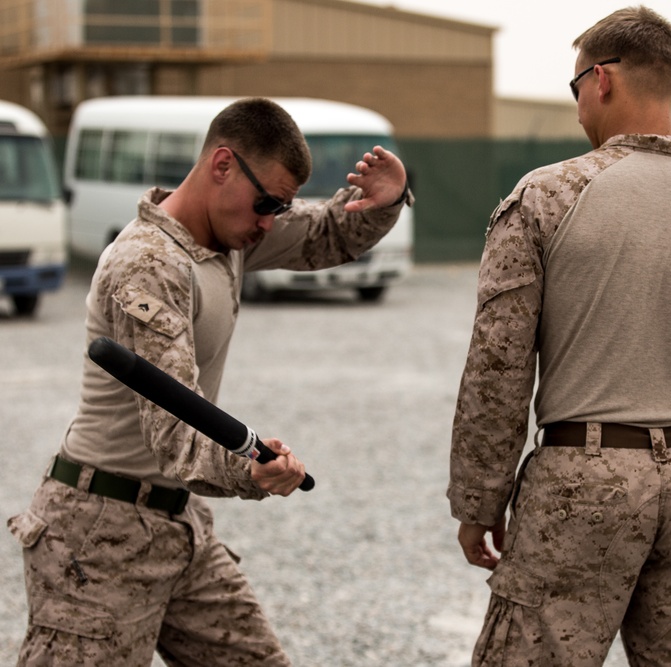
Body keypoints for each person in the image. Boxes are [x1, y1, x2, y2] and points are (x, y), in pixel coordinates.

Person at [448, 7, 671, 666]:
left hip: (579, 480)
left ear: (602, 80)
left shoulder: (544, 200)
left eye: (575, 85)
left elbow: (497, 366)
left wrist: (478, 499)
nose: (578, 103)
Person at [7, 97, 411, 665]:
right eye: (266, 202)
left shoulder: (228, 235)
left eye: (280, 206)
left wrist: (384, 201)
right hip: (98, 539)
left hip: (177, 525)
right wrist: (251, 466)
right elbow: (175, 432)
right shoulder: (147, 265)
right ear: (222, 166)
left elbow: (323, 234)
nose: (270, 220)